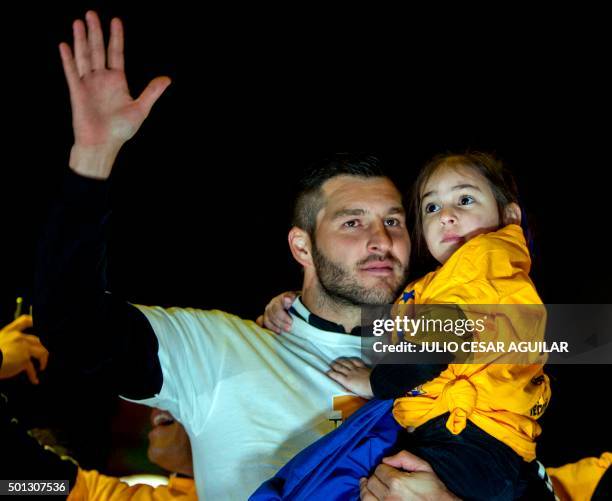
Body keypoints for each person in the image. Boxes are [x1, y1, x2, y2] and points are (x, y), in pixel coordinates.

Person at [35, 10, 463, 499]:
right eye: (352, 221)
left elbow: (563, 341)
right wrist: (93, 158)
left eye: (393, 222)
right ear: (301, 245)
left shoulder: (446, 344)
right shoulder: (219, 350)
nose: (381, 240)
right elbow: (73, 324)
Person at [253, 153, 553, 499]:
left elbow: (434, 344)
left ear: (509, 216)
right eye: (431, 208)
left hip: (467, 436)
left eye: (465, 200)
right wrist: (298, 305)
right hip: (473, 439)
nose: (446, 217)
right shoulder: (457, 278)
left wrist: (374, 382)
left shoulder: (483, 262)